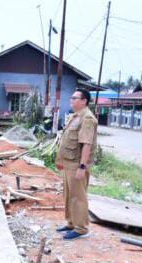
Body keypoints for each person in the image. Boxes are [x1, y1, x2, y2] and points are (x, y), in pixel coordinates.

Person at [56, 88, 98, 240]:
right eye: (72, 97)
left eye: (75, 98)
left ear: (84, 101)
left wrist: (82, 166)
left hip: (77, 164)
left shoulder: (87, 118)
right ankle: (71, 223)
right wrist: (61, 160)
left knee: (78, 196)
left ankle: (81, 229)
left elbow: (86, 144)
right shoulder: (75, 116)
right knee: (68, 195)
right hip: (68, 162)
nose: (71, 100)